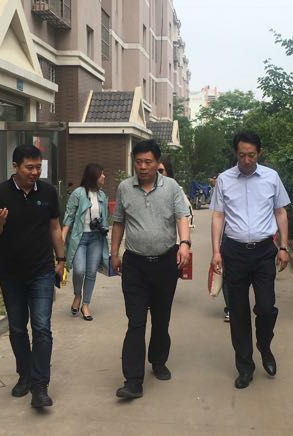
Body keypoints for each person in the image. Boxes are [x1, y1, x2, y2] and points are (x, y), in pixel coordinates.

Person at [210, 131, 290, 390]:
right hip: (234, 252)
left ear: (259, 153)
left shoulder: (271, 177)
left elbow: (280, 212)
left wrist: (284, 247)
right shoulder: (224, 179)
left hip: (264, 251)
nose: (247, 160)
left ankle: (264, 346)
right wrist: (216, 251)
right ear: (236, 153)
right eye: (242, 155)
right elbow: (218, 216)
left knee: (266, 307)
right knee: (239, 311)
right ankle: (245, 367)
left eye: (251, 155)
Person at [111, 139, 191, 400]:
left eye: (148, 162)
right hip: (134, 264)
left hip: (165, 263)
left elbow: (181, 217)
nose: (143, 167)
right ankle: (133, 381)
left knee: (161, 318)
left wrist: (185, 244)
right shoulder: (125, 188)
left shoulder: (171, 187)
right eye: (138, 162)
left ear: (158, 163)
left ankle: (158, 360)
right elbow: (119, 222)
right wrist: (114, 253)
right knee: (136, 322)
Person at [0, 145, 65, 408]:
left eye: (38, 167)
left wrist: (61, 260)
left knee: (42, 328)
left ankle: (40, 386)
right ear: (15, 166)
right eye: (29, 167)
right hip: (11, 273)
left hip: (42, 271)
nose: (34, 172)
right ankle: (25, 375)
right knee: (18, 328)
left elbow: (54, 228)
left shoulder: (48, 192)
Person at [61, 163, 109, 321]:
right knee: (79, 270)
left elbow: (104, 219)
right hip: (80, 238)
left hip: (96, 238)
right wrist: (62, 237)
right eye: (101, 174)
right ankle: (77, 295)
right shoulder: (78, 193)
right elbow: (69, 216)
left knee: (91, 272)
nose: (104, 176)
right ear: (94, 176)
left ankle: (85, 304)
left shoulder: (102, 196)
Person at [157, 156, 194, 228]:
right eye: (155, 171)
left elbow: (187, 216)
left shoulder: (176, 190)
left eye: (160, 171)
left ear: (168, 172)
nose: (158, 174)